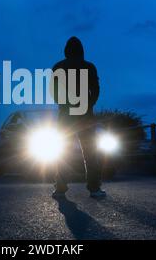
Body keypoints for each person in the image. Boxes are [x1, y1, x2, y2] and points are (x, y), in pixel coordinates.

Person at [50, 37, 106, 198]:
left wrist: (63, 104)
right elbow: (95, 90)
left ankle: (60, 188)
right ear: (82, 50)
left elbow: (53, 92)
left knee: (62, 153)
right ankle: (94, 188)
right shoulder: (89, 66)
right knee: (90, 153)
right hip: (85, 115)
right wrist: (88, 105)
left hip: (65, 116)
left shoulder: (58, 67)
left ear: (66, 50)